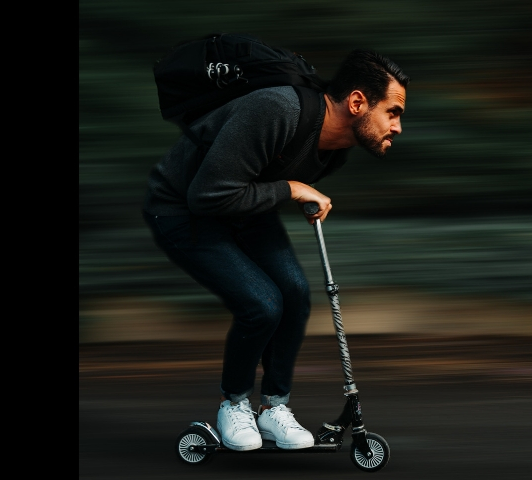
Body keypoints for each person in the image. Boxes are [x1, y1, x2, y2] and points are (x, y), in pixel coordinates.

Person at [142, 49, 409, 451]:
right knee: (262, 304)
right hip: (184, 209)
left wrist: (293, 193)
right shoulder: (276, 109)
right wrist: (292, 190)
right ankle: (233, 404)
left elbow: (259, 182)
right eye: (392, 112)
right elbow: (207, 196)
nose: (398, 126)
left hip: (242, 208)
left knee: (296, 296)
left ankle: (273, 410)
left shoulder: (335, 150)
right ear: (357, 103)